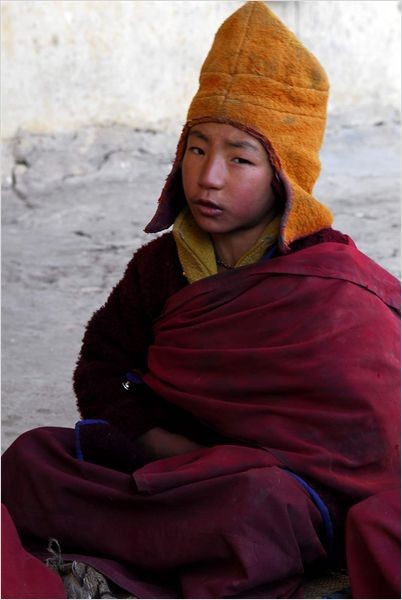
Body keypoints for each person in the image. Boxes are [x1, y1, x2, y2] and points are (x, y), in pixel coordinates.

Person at [2, 2, 400, 598]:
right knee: (30, 458)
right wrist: (164, 447)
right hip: (169, 470)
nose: (209, 176)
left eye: (240, 158)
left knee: (256, 508)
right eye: (196, 148)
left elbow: (368, 442)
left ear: (285, 174)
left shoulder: (334, 284)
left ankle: (138, 556)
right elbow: (100, 368)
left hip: (272, 487)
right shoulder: (161, 266)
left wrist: (229, 462)